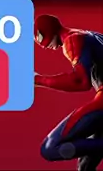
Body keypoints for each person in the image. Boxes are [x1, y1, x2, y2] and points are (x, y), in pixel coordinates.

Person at [35, 13, 103, 171]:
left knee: (50, 148)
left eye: (40, 37)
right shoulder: (92, 35)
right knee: (85, 165)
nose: (43, 46)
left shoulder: (72, 40)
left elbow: (80, 81)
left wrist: (37, 79)